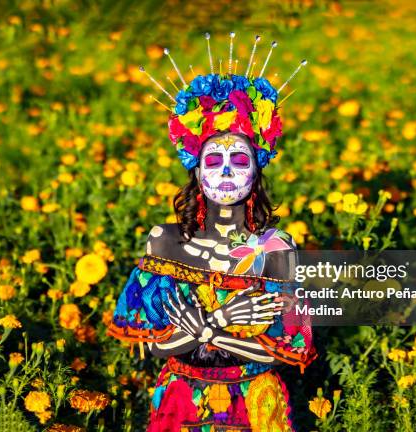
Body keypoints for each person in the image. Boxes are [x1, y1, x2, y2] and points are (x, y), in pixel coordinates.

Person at [107, 37, 316, 431]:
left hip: (256, 400)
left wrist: (199, 328)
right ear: (197, 170)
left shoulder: (276, 247)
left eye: (238, 160)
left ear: (257, 170)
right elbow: (155, 344)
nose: (224, 172)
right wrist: (221, 319)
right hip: (181, 397)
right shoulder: (166, 242)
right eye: (213, 160)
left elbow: (281, 351)